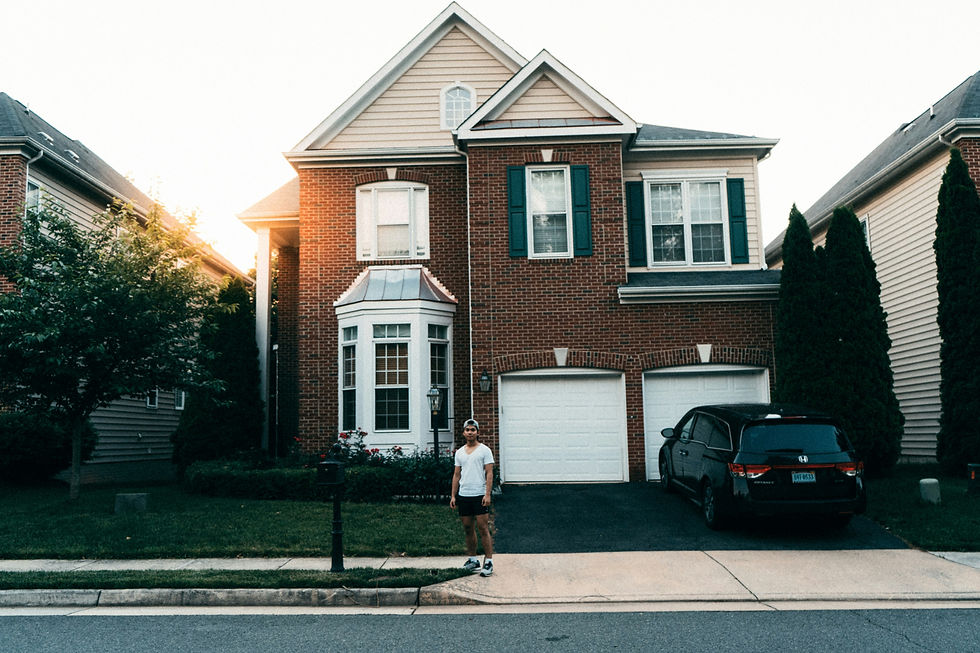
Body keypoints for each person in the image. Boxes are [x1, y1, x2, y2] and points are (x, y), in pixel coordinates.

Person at [450, 418, 494, 577]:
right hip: (464, 495)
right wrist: (453, 496)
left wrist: (487, 494)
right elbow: (456, 475)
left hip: (479, 495)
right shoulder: (460, 452)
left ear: (477, 432)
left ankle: (488, 562)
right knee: (468, 528)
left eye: (473, 430)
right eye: (467, 430)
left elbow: (489, 473)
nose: (470, 432)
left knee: (483, 528)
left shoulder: (484, 450)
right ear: (464, 433)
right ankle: (473, 559)